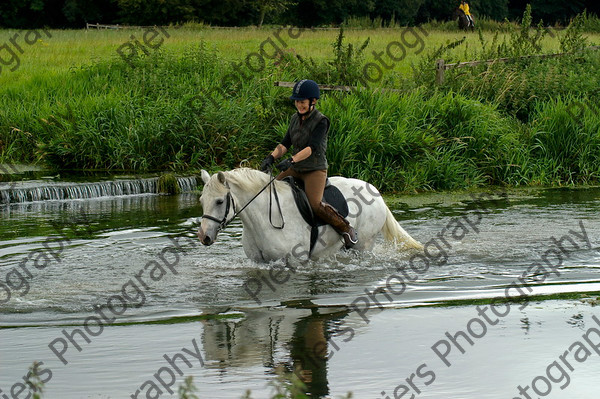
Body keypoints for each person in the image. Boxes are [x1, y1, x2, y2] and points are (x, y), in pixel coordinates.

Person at [260, 79, 358, 249]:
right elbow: (285, 144)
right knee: (272, 190)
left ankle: (346, 228)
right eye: (297, 101)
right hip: (297, 168)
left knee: (315, 204)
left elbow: (311, 148)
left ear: (313, 101)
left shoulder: (321, 121)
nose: (299, 105)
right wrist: (271, 157)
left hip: (315, 169)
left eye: (302, 102)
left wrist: (291, 160)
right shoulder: (294, 119)